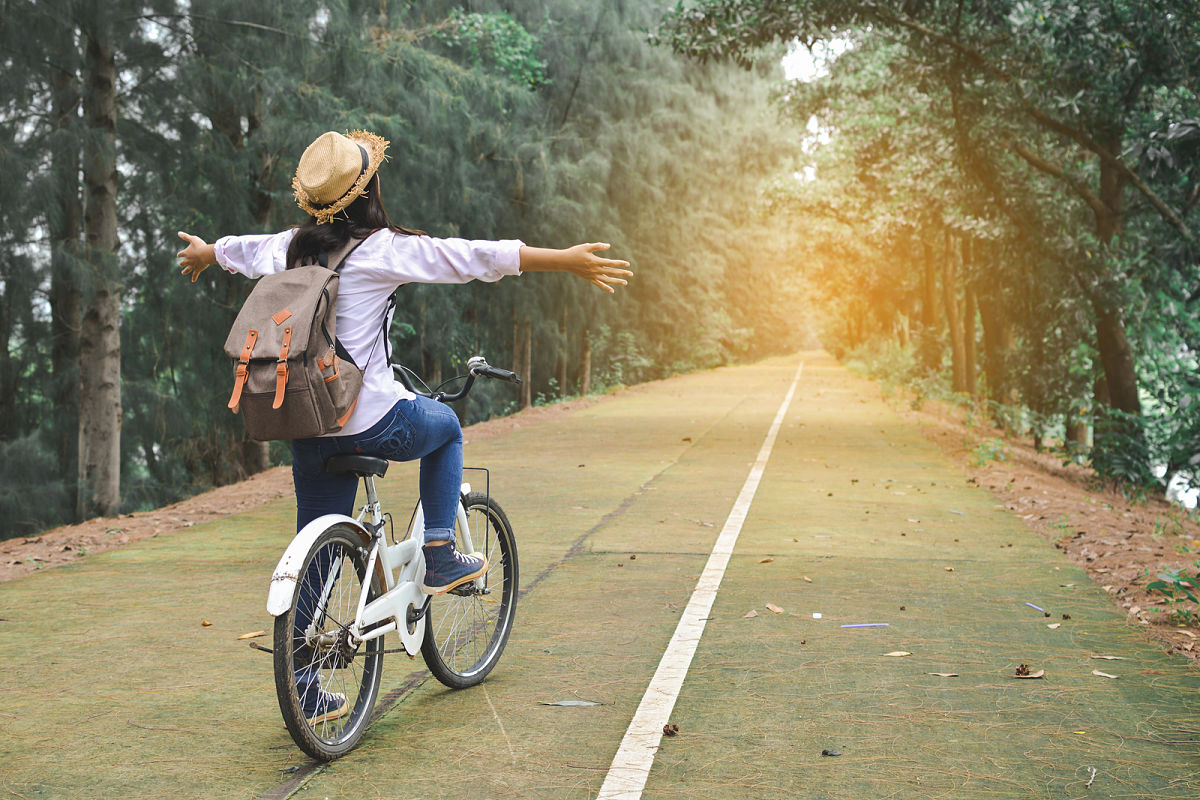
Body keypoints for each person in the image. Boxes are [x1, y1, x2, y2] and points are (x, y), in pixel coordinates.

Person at [176, 129, 630, 724]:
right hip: (371, 420)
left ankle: (306, 686)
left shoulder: (288, 247)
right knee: (445, 426)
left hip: (307, 424)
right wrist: (562, 260)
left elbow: (239, 249)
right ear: (369, 192)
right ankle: (440, 551)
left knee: (318, 551)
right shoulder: (384, 249)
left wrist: (206, 251)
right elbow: (473, 257)